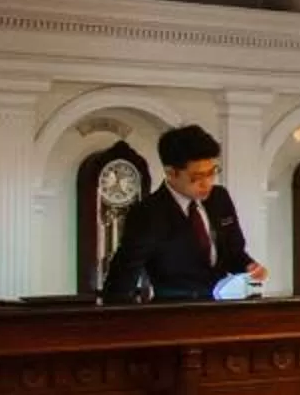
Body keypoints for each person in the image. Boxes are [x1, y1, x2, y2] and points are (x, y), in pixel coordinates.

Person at [101, 124, 266, 302]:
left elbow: (234, 253)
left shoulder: (220, 198)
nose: (207, 183)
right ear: (171, 173)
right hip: (175, 314)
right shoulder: (148, 213)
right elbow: (123, 276)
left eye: (211, 173)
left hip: (222, 308)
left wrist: (249, 266)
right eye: (197, 177)